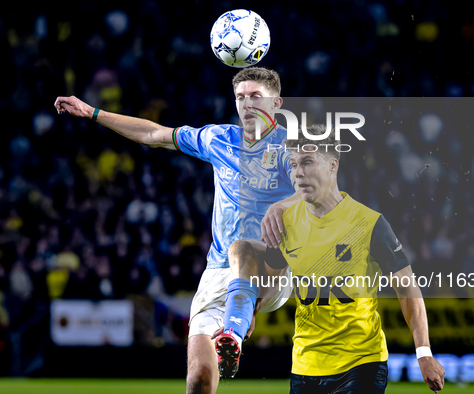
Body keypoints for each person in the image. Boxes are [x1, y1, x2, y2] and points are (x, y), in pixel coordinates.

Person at [54, 67, 299, 394]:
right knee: (198, 379)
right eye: (241, 97)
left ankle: (237, 324)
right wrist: (93, 112)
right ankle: (234, 328)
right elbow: (153, 134)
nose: (247, 104)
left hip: (274, 265)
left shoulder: (291, 148)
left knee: (244, 250)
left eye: (257, 97)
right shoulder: (219, 139)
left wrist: (283, 205)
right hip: (218, 271)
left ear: (276, 103)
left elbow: (313, 190)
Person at [225, 124, 445, 394]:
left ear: (332, 164)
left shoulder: (369, 223)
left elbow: (407, 287)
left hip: (361, 364)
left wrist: (423, 353)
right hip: (305, 367)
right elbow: (270, 278)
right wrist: (251, 311)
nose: (298, 173)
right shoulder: (285, 224)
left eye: (307, 162)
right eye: (293, 164)